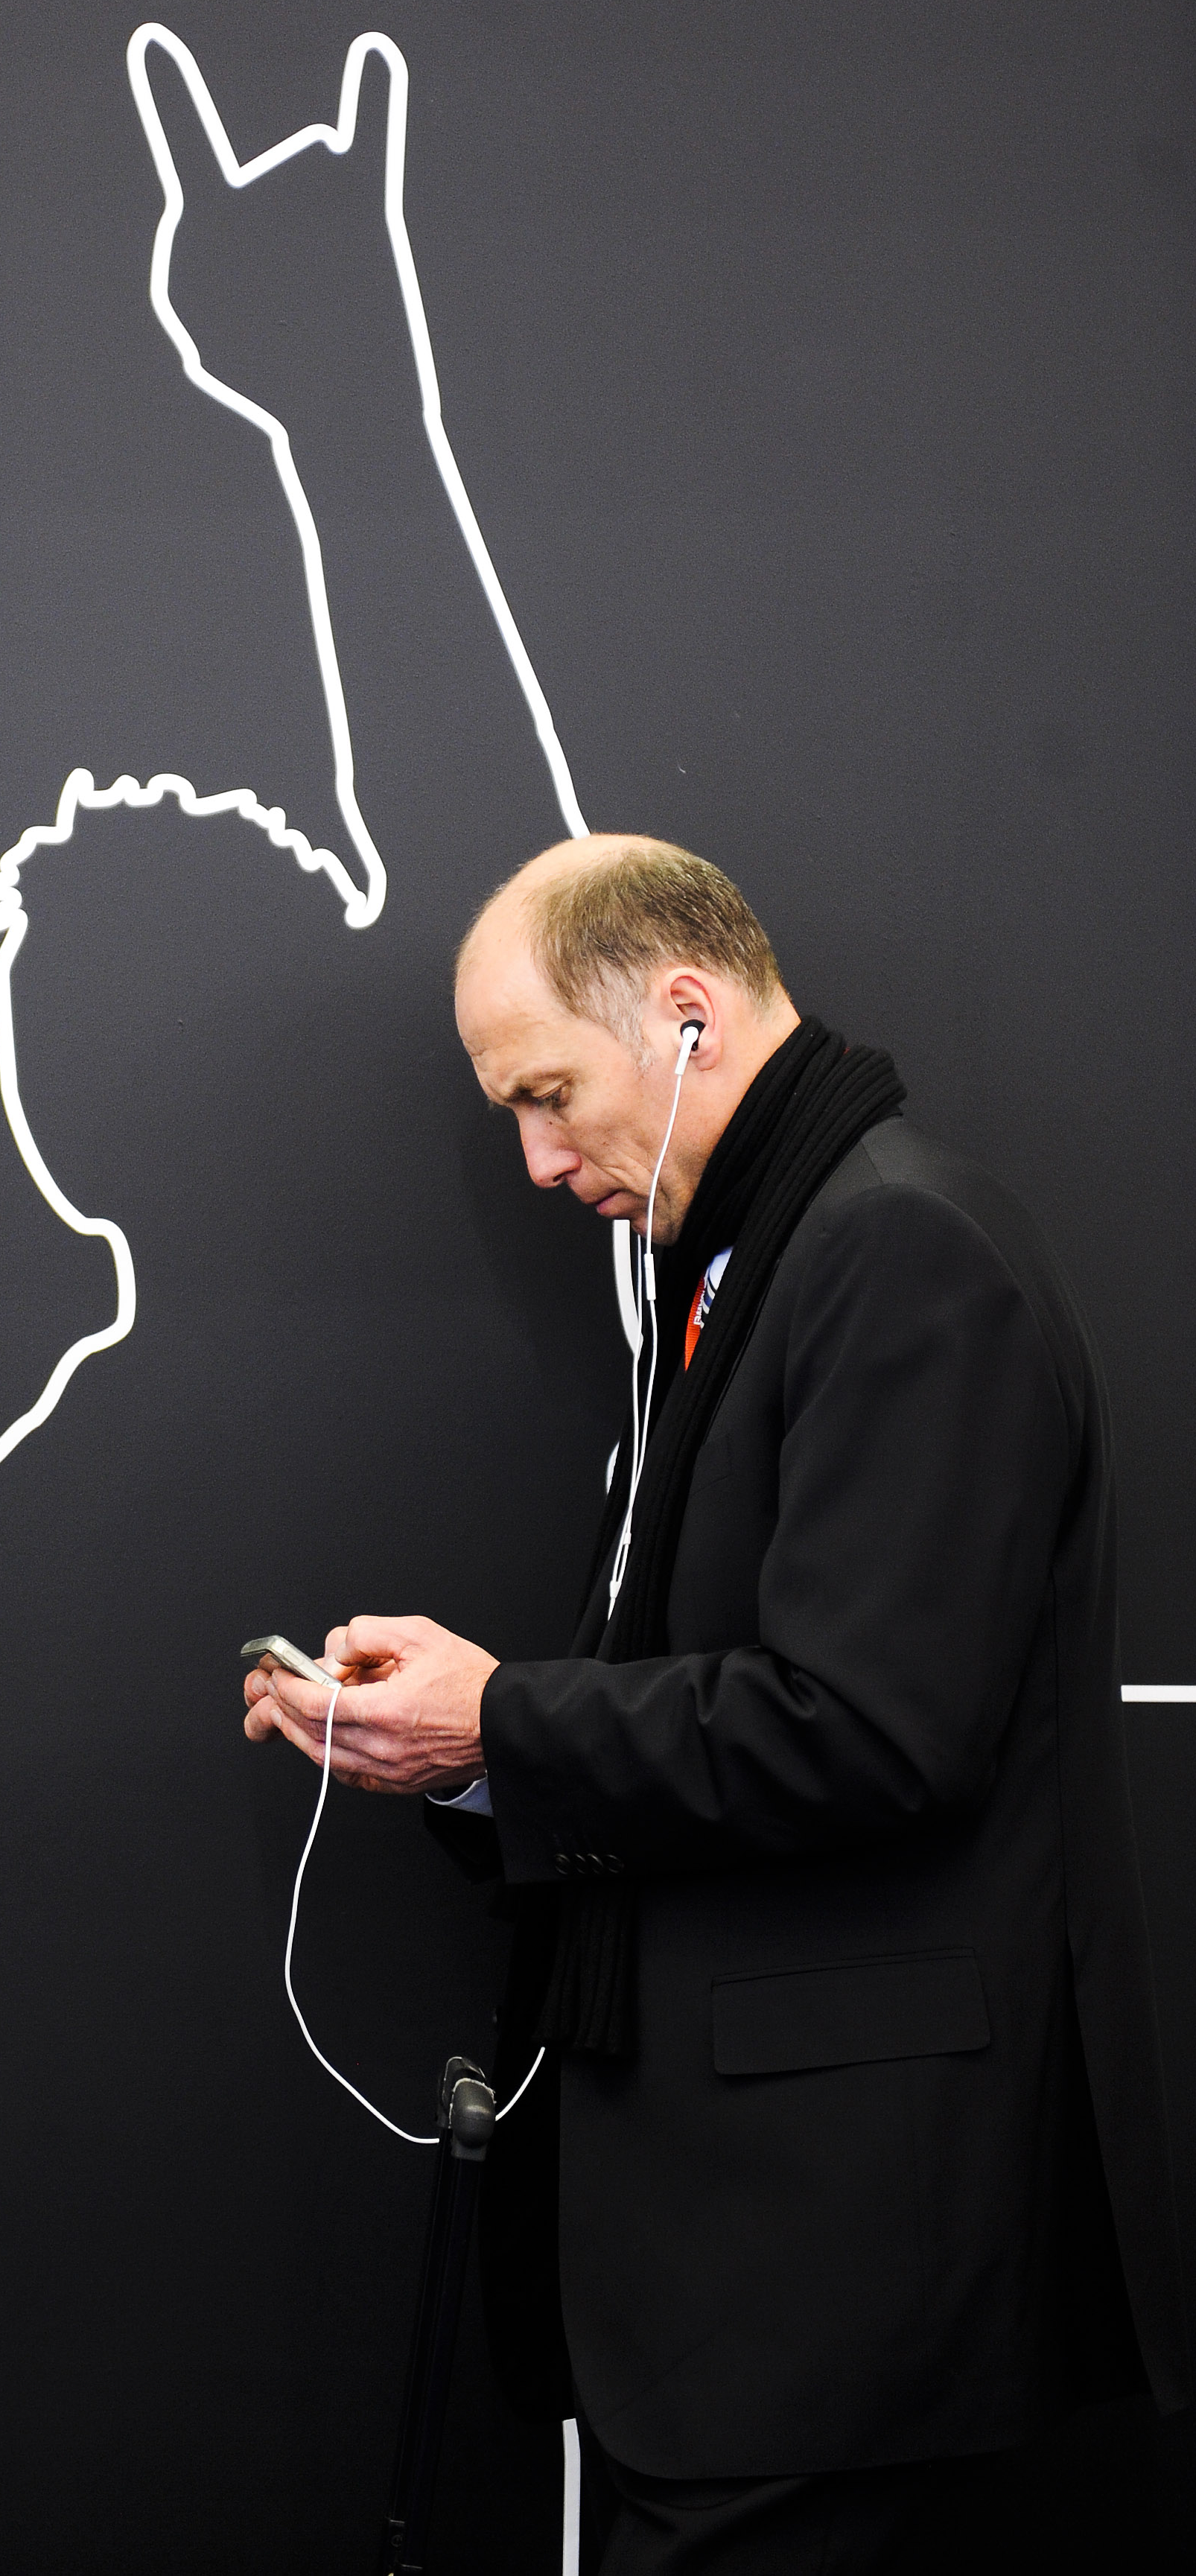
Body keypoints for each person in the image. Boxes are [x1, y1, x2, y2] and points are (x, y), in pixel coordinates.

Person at [244, 835, 1189, 2574]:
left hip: (824, 2271)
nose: (536, 1160)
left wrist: (504, 1721)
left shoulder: (895, 1247)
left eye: (548, 1095)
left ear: (685, 1012)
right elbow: (732, 1696)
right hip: (747, 2271)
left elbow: (872, 1724)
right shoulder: (763, 1261)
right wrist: (460, 1756)